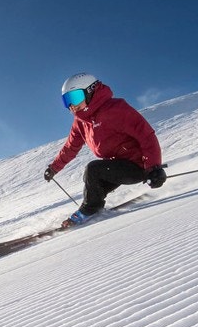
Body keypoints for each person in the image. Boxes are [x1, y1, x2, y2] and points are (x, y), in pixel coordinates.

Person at [44, 72, 166, 227]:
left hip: (139, 166)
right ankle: (91, 207)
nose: (72, 105)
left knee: (93, 169)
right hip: (117, 165)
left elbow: (146, 135)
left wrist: (154, 168)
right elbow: (71, 147)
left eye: (75, 97)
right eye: (67, 100)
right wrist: (54, 168)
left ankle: (89, 210)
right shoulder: (81, 121)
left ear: (90, 91)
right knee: (93, 181)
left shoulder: (115, 109)